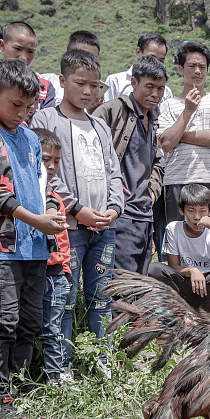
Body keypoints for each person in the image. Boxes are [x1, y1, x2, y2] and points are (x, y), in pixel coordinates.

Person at [0, 59, 67, 419]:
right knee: (0, 323)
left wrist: (52, 211)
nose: (22, 113)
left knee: (29, 323)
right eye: (15, 104)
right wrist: (35, 218)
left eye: (29, 106)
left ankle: (19, 387)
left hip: (35, 247)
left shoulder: (31, 138)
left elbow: (44, 186)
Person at [29, 50, 124, 367]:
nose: (88, 91)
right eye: (80, 83)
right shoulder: (46, 119)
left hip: (104, 230)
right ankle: (62, 368)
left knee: (101, 297)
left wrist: (113, 208)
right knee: (65, 300)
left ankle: (104, 364)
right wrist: (77, 209)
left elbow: (113, 171)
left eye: (94, 85)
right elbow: (46, 173)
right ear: (61, 81)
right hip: (68, 229)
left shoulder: (100, 126)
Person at [93, 56, 166, 274]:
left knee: (139, 281)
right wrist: (111, 186)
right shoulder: (112, 111)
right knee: (121, 283)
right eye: (149, 86)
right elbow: (89, 150)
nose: (155, 94)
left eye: (160, 89)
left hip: (145, 213)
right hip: (122, 213)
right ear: (134, 82)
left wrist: (152, 190)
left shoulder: (153, 119)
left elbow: (158, 161)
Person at [157, 41, 210, 225]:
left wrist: (177, 136)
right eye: (192, 66)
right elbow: (165, 144)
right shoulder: (168, 105)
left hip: (209, 179)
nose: (197, 71)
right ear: (181, 69)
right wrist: (187, 111)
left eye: (202, 67)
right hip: (176, 180)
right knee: (176, 241)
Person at [30, 127, 72, 387]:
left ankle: (54, 378)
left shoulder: (52, 195)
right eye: (46, 160)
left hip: (56, 272)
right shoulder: (38, 195)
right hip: (38, 270)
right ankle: (41, 375)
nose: (52, 166)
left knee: (52, 327)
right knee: (43, 327)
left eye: (56, 161)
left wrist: (66, 268)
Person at [149, 184, 210, 312]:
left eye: (202, 211)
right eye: (191, 211)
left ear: (209, 211)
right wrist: (192, 270)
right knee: (155, 269)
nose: (197, 217)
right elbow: (173, 265)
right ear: (182, 211)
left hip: (209, 284)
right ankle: (170, 309)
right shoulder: (173, 228)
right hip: (185, 281)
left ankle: (209, 311)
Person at [104, 32, 173, 103]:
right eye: (151, 58)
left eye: (161, 60)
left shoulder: (166, 93)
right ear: (138, 52)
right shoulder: (115, 82)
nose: (155, 63)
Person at [39, 30, 101, 105]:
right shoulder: (45, 83)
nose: (87, 61)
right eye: (80, 56)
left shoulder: (99, 92)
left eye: (92, 58)